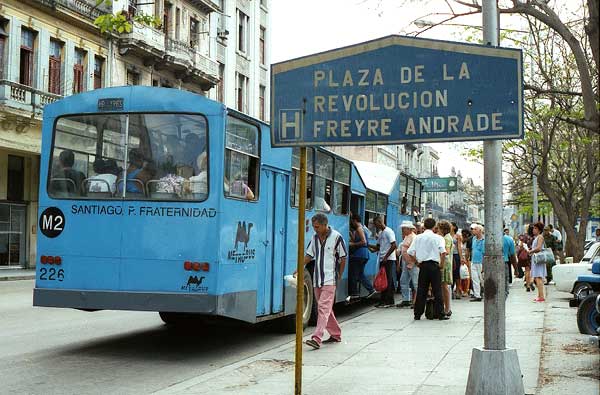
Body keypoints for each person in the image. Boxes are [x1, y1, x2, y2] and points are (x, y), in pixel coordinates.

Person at [301, 213, 347, 350]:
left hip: (330, 279)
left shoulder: (337, 237)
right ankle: (336, 334)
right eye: (314, 227)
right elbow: (309, 255)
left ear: (325, 225)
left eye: (317, 227)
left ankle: (317, 338)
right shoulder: (314, 238)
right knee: (326, 309)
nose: (315, 229)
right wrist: (299, 267)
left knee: (322, 307)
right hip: (317, 279)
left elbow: (343, 257)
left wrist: (340, 274)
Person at [407, 218, 448, 320]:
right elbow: (443, 252)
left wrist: (417, 262)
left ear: (424, 226)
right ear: (435, 227)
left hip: (423, 266)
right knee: (437, 290)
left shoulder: (418, 238)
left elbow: (410, 252)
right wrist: (441, 265)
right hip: (435, 266)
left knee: (421, 290)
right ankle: (440, 314)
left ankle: (417, 314)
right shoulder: (439, 238)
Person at [370, 216, 397, 308]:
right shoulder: (381, 233)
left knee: (387, 280)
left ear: (380, 222)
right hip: (383, 259)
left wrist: (386, 256)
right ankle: (385, 300)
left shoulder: (389, 232)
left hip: (388, 259)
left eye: (375, 223)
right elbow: (378, 247)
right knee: (384, 279)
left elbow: (394, 245)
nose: (375, 226)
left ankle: (387, 301)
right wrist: (368, 246)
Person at [347, 214, 376, 300]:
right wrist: (352, 236)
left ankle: (354, 293)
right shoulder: (363, 228)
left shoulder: (359, 228)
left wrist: (352, 244)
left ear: (355, 220)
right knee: (360, 274)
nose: (351, 222)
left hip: (359, 255)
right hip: (364, 254)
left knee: (353, 274)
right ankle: (371, 289)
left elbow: (363, 242)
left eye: (352, 221)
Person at [397, 220, 417, 307]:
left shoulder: (414, 237)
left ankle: (418, 301)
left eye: (404, 228)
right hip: (406, 263)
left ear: (409, 229)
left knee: (416, 282)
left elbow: (415, 251)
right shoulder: (407, 237)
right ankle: (406, 299)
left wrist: (412, 262)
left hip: (412, 263)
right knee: (403, 281)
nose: (402, 230)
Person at [437, 220, 454, 317]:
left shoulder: (446, 238)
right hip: (445, 262)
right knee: (444, 286)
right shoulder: (446, 237)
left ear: (443, 229)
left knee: (444, 286)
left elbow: (446, 251)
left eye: (439, 228)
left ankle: (447, 308)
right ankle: (446, 307)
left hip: (445, 264)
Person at [528, 222, 547, 302]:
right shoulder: (537, 237)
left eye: (535, 228)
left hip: (538, 259)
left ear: (539, 230)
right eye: (533, 228)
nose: (533, 230)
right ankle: (539, 295)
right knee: (536, 277)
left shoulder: (540, 237)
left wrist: (531, 251)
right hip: (536, 259)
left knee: (538, 277)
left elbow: (539, 248)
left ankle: (541, 296)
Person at [470, 223, 485, 302]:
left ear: (480, 231)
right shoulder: (473, 239)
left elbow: (484, 253)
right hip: (474, 261)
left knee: (482, 279)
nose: (473, 231)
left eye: (475, 229)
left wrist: (484, 264)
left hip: (480, 262)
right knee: (475, 278)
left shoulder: (484, 240)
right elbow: (472, 249)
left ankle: (485, 293)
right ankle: (477, 295)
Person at [451, 222, 463, 299]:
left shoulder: (457, 236)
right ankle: (451, 290)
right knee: (450, 273)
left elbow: (459, 247)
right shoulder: (446, 235)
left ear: (454, 227)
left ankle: (458, 290)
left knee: (457, 274)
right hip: (449, 255)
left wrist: (461, 257)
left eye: (451, 226)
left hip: (455, 255)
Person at [502, 229, 516, 298]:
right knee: (504, 288)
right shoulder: (509, 239)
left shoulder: (488, 239)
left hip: (490, 265)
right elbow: (512, 256)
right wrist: (516, 269)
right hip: (504, 264)